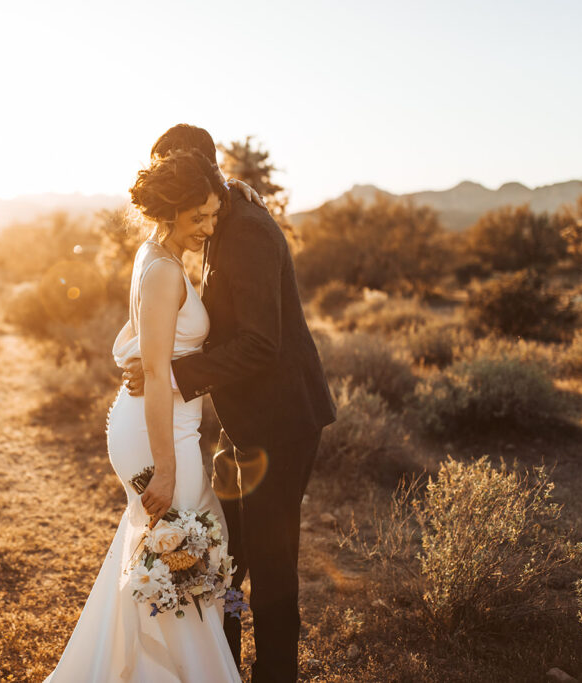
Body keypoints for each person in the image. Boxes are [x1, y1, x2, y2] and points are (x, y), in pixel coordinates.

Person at [122, 124, 336, 682]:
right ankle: (224, 666)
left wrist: (171, 374)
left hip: (282, 422)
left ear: (200, 176)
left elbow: (263, 343)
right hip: (240, 422)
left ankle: (276, 675)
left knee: (269, 564)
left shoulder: (249, 230)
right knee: (225, 560)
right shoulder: (219, 209)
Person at [44, 148, 251, 682]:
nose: (209, 225)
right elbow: (158, 374)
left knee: (172, 560)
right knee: (185, 557)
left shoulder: (152, 253)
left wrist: (243, 194)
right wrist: (165, 467)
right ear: (171, 211)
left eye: (213, 213)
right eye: (198, 216)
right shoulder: (163, 273)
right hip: (160, 436)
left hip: (160, 426)